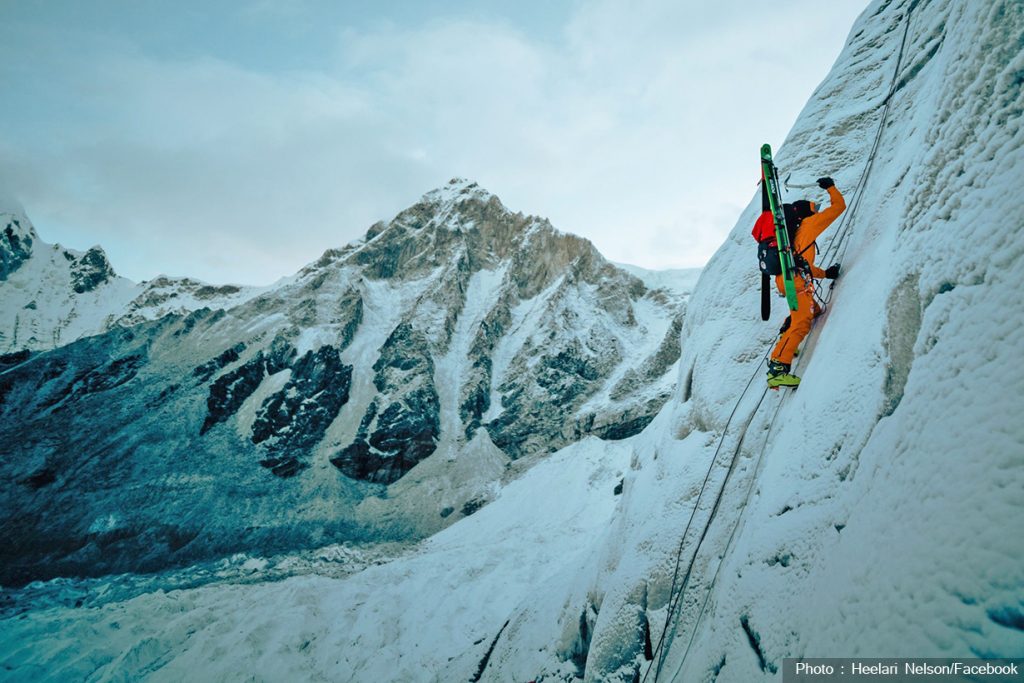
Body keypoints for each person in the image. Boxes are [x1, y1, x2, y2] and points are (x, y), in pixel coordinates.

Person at [767, 176, 845, 388]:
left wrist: (826, 274)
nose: (817, 213)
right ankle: (778, 368)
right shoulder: (809, 225)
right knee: (802, 322)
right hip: (796, 281)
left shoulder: (790, 240)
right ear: (806, 214)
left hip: (789, 278)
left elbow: (802, 264)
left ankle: (787, 333)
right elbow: (839, 207)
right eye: (814, 210)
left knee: (813, 311)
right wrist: (831, 188)